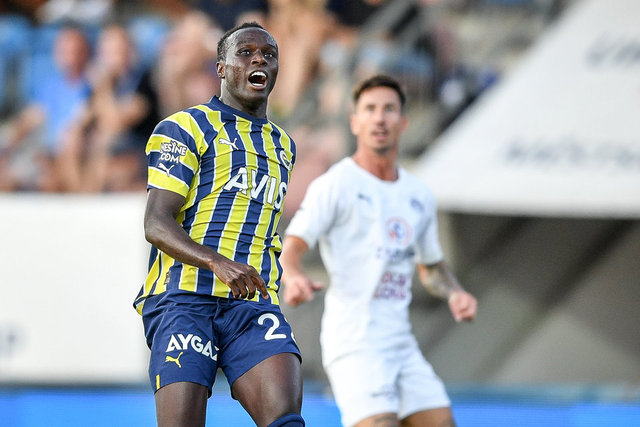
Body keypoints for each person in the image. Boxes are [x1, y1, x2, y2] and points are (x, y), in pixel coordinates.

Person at [280, 75, 477, 427]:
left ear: (403, 122)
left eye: (389, 109)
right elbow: (291, 248)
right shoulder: (336, 184)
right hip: (355, 345)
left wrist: (455, 292)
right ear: (355, 122)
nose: (380, 118)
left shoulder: (418, 194)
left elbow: (430, 267)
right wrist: (293, 277)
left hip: (401, 345)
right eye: (370, 109)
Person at [133, 22, 305, 427]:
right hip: (183, 300)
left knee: (286, 420)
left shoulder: (283, 145)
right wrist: (216, 262)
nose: (259, 59)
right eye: (245, 52)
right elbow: (156, 223)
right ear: (222, 69)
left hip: (251, 303)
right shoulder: (185, 127)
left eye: (268, 54)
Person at [0, 25, 91, 192]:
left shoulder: (92, 85)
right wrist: (8, 144)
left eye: (75, 51)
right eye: (64, 51)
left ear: (85, 53)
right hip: (46, 153)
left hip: (75, 154)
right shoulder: (51, 86)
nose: (69, 57)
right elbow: (31, 117)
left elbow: (83, 121)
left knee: (55, 171)